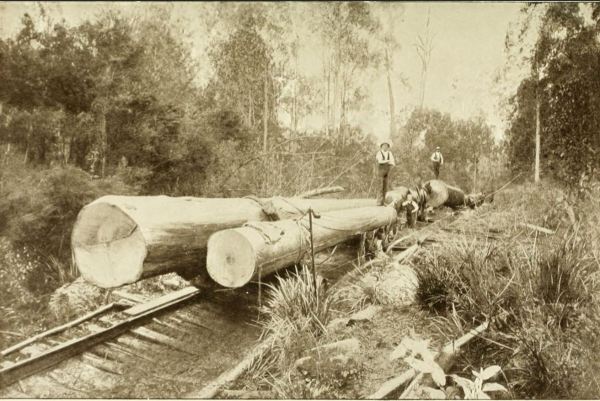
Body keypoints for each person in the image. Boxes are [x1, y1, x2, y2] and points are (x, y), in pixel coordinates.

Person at [376, 141, 395, 206]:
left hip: (387, 171)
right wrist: (388, 161)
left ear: (388, 147)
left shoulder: (390, 153)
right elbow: (380, 161)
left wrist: (390, 166)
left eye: (386, 146)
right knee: (380, 186)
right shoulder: (379, 153)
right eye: (384, 145)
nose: (385, 147)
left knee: (385, 187)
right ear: (381, 146)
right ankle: (379, 201)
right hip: (380, 171)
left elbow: (393, 162)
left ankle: (383, 201)